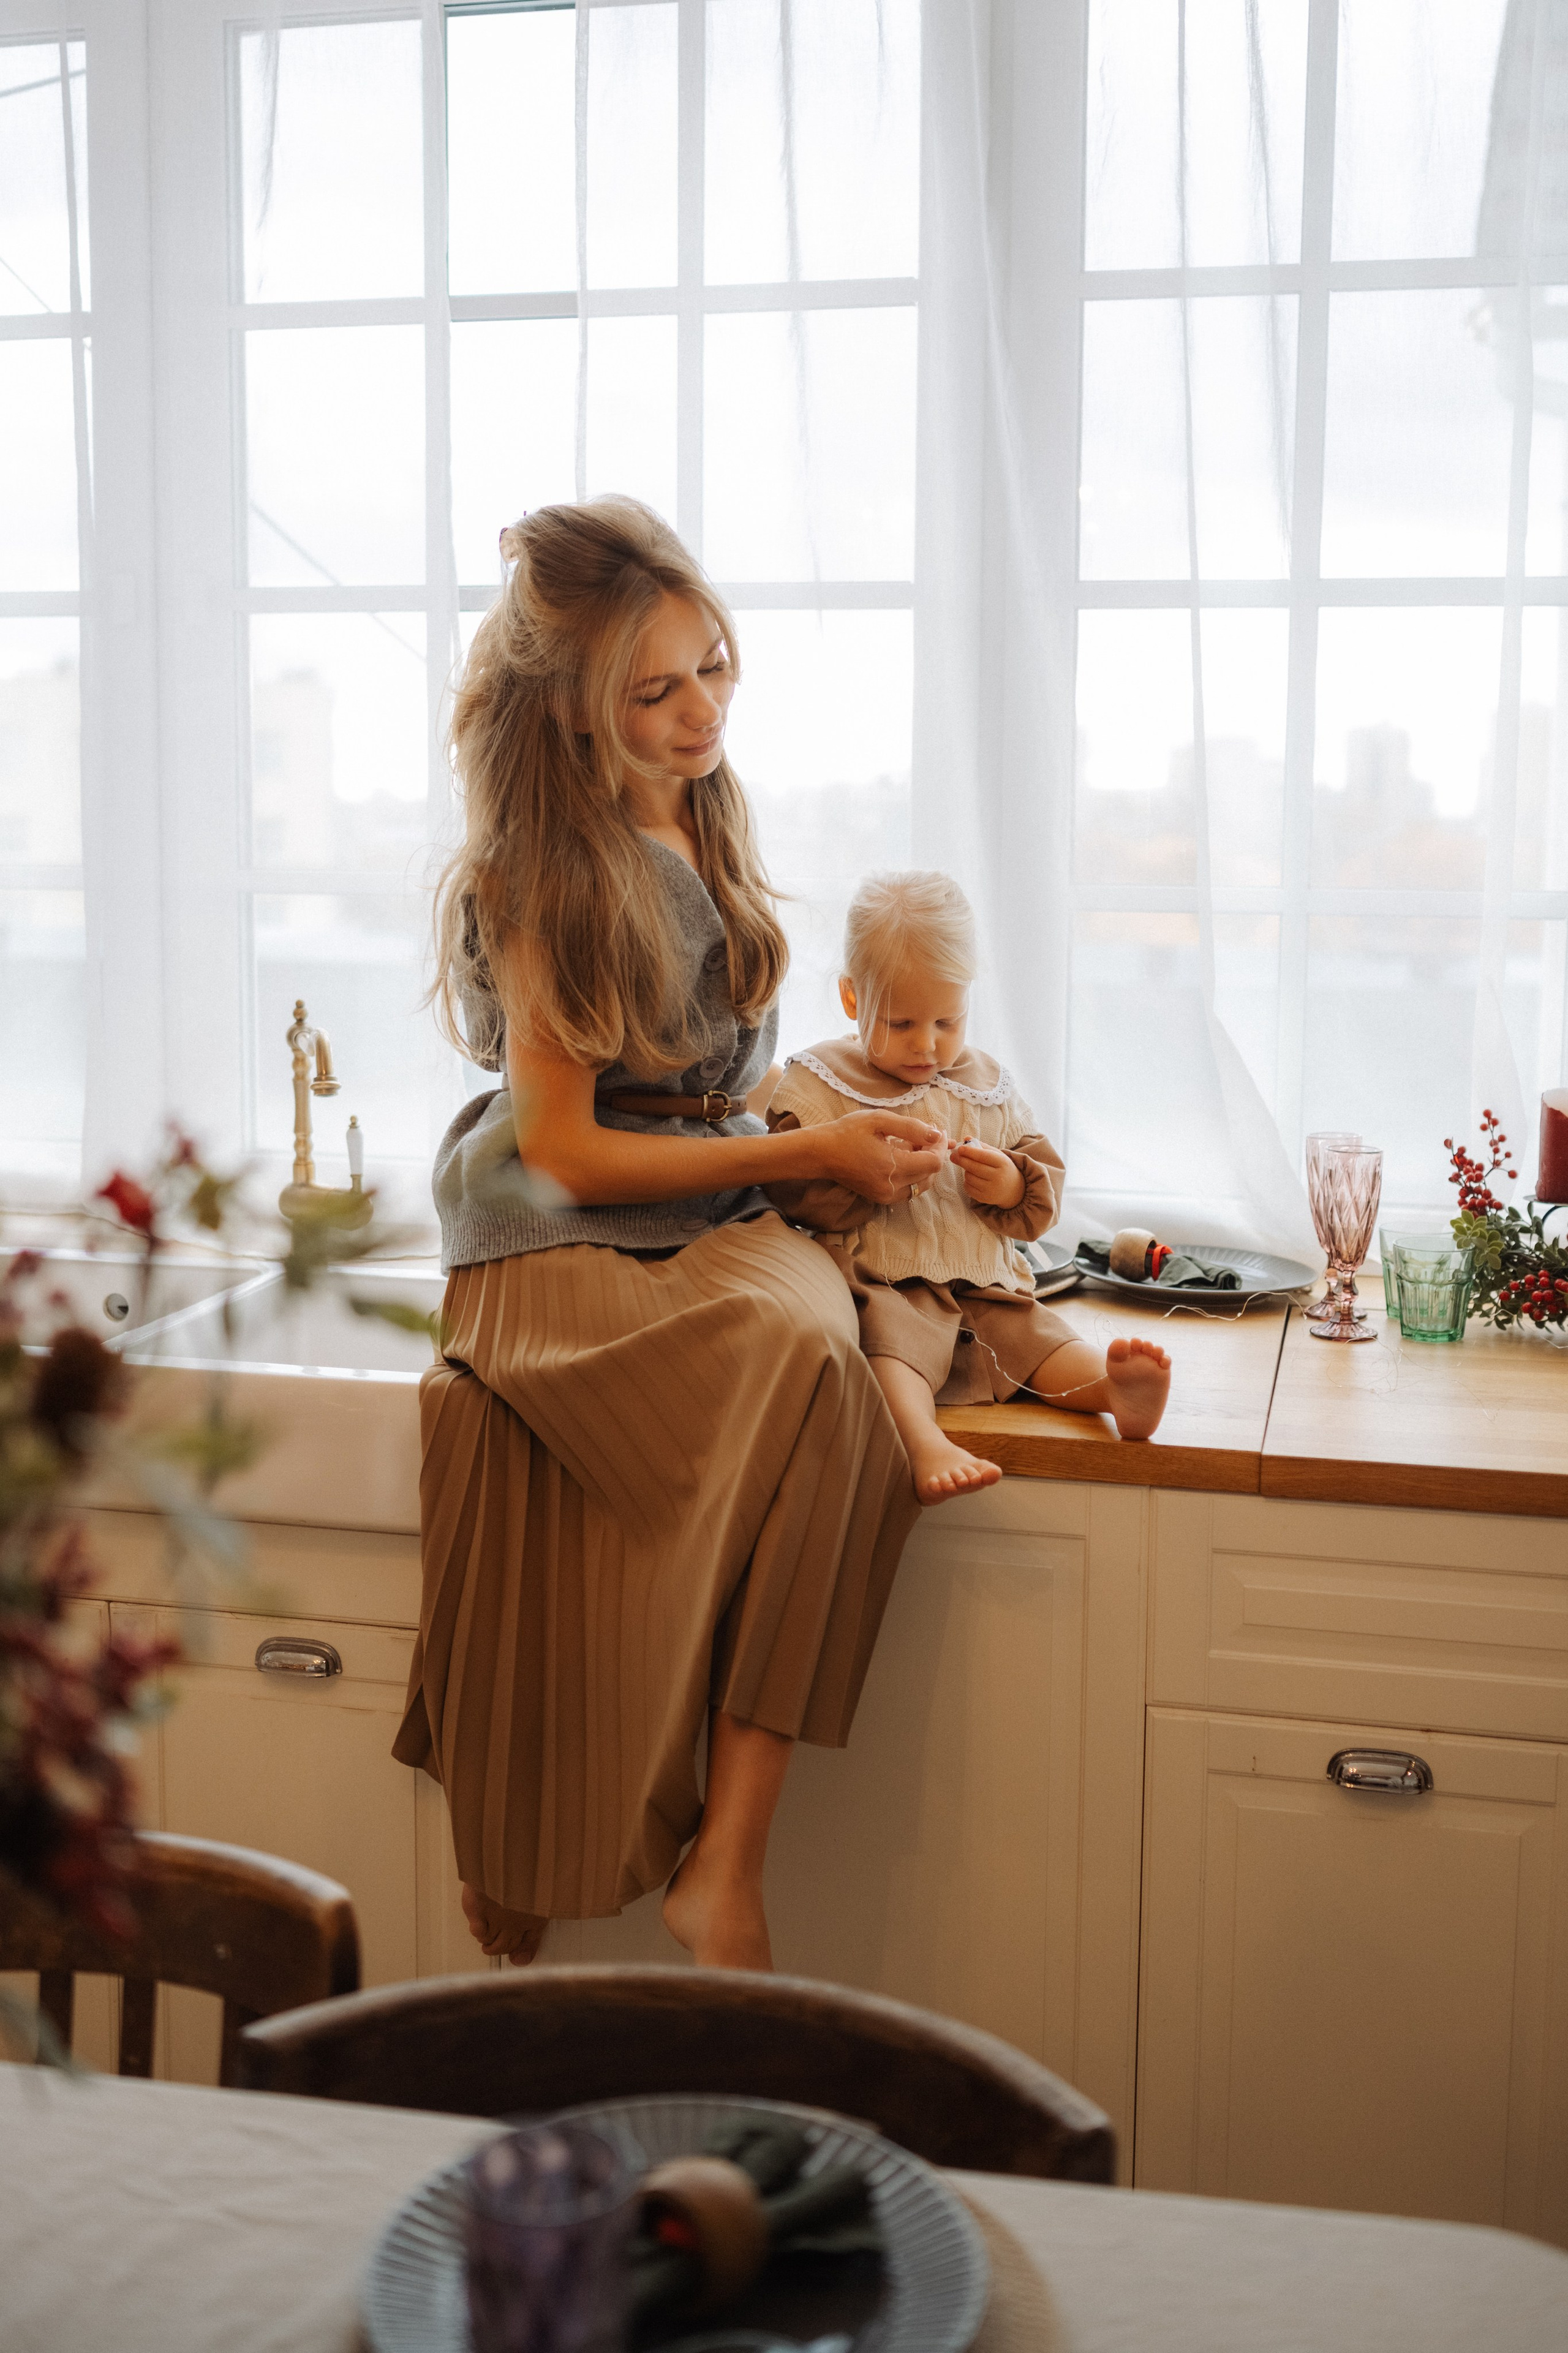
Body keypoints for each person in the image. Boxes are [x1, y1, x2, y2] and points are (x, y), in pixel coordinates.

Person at [393, 497, 946, 1973]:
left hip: (696, 1196)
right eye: (655, 691)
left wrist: (830, 1141)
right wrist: (808, 1153)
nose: (700, 709)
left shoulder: (705, 803)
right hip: (549, 1233)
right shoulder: (544, 870)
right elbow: (566, 1149)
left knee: (834, 1378)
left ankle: (725, 1858)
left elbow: (718, 1084)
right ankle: (584, 1833)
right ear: (576, 711)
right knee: (798, 1354)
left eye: (711, 666)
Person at [762, 871, 1172, 1505]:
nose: (927, 1045)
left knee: (1036, 1339)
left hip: (983, 1282)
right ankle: (922, 1440)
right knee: (891, 1353)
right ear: (851, 997)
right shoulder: (823, 1082)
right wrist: (865, 1181)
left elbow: (1043, 1184)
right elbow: (789, 1187)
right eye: (901, 1022)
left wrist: (1009, 1184)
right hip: (888, 1284)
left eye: (947, 1020)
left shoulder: (985, 1082)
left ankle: (1111, 1388)